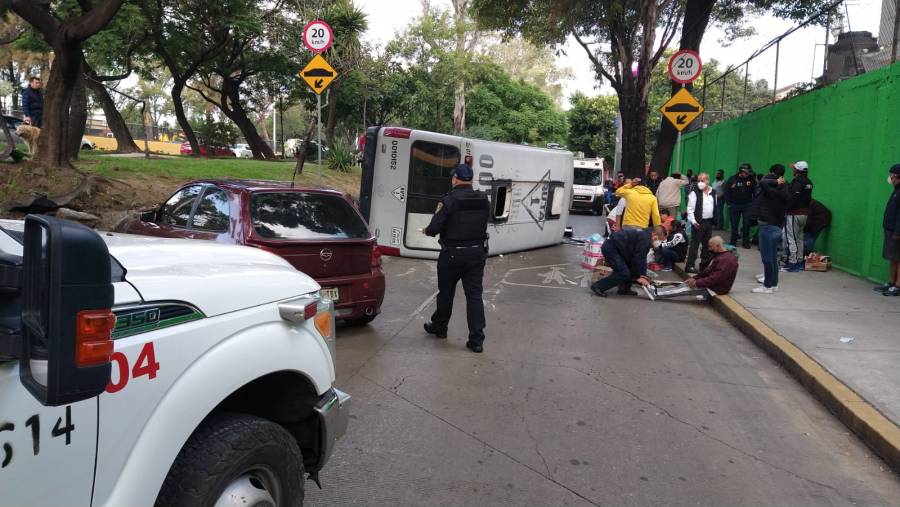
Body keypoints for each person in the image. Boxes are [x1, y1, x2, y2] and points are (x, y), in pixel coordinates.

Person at [422, 163, 491, 353]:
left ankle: (440, 328)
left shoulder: (449, 200)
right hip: (476, 254)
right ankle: (476, 340)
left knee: (446, 293)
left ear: (455, 179)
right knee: (474, 296)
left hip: (451, 254)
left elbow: (434, 228)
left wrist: (427, 231)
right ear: (471, 181)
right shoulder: (483, 199)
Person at [644, 236, 739, 301]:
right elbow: (708, 271)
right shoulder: (720, 256)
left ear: (718, 246)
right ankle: (656, 289)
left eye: (711, 247)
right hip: (711, 284)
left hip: (716, 289)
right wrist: (695, 278)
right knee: (684, 284)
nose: (709, 249)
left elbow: (716, 278)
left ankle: (656, 294)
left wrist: (697, 283)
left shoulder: (727, 260)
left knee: (685, 289)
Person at [590, 226, 666, 297]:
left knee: (629, 267)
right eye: (659, 239)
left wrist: (640, 275)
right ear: (654, 234)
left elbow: (639, 259)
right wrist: (638, 277)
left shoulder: (646, 234)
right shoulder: (645, 239)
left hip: (620, 249)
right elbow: (638, 259)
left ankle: (624, 288)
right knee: (623, 273)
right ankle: (598, 286)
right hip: (612, 249)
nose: (658, 242)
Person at [751, 164, 791, 293]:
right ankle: (774, 284)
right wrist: (778, 180)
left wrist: (774, 180)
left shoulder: (771, 192)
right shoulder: (785, 192)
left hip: (767, 226)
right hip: (777, 226)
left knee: (767, 258)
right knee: (773, 258)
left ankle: (767, 286)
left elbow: (763, 181)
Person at [782, 160, 814, 272]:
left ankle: (793, 262)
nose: (793, 169)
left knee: (792, 238)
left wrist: (787, 208)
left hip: (794, 213)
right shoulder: (809, 182)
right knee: (799, 238)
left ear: (798, 170)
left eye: (794, 168)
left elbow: (793, 198)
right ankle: (799, 260)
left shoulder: (798, 181)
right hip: (804, 214)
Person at [684, 172, 717, 273]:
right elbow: (690, 209)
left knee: (707, 245)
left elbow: (715, 206)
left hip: (709, 222)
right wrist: (693, 221)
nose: (700, 183)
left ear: (708, 181)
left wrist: (715, 220)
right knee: (695, 244)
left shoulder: (713, 192)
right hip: (698, 222)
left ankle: (704, 266)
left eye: (702, 180)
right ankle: (690, 266)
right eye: (698, 181)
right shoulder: (695, 192)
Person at [876, 164, 900, 296]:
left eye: (892, 174)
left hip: (896, 232)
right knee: (893, 258)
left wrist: (898, 232)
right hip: (890, 230)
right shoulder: (896, 190)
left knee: (899, 258)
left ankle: (898, 286)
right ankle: (891, 282)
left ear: (897, 176)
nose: (890, 177)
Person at [723, 163, 757, 248]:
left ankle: (745, 242)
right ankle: (733, 241)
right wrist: (728, 204)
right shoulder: (732, 179)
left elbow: (755, 192)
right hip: (734, 205)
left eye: (748, 172)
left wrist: (753, 203)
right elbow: (726, 192)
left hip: (747, 205)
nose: (747, 174)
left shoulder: (751, 179)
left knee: (746, 224)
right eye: (746, 172)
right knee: (734, 224)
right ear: (741, 171)